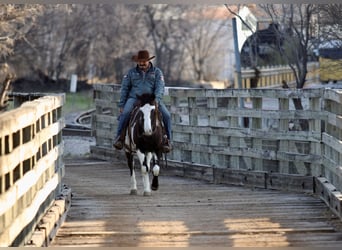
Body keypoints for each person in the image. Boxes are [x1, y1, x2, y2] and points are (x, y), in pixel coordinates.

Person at [113, 50, 172, 153]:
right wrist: (122, 104)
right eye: (139, 61)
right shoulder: (131, 73)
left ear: (148, 61)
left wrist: (156, 100)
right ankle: (120, 138)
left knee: (167, 115)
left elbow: (160, 87)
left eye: (143, 61)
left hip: (152, 99)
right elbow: (125, 88)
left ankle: (167, 140)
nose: (141, 64)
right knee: (125, 113)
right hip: (135, 98)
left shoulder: (157, 72)